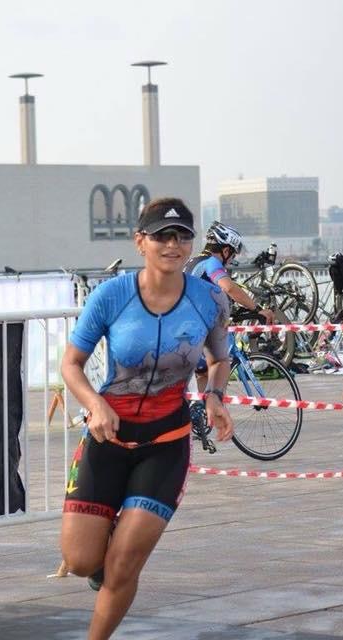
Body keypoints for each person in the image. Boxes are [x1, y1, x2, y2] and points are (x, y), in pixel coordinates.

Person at [59, 197, 232, 640]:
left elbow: (218, 358)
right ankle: (106, 547)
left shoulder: (210, 298)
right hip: (109, 435)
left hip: (166, 440)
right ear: (141, 242)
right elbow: (71, 365)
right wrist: (96, 406)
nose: (173, 245)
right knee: (81, 561)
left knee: (124, 563)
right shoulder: (112, 295)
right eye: (162, 236)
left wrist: (214, 396)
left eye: (182, 236)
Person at [185, 221, 276, 326]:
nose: (231, 261)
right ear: (226, 251)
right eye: (233, 256)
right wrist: (257, 309)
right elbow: (229, 288)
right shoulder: (212, 262)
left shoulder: (194, 261)